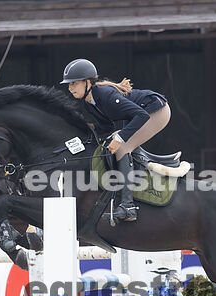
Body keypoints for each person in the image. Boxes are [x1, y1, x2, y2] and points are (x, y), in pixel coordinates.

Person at [61, 58, 171, 222]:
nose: (70, 88)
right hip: (138, 114)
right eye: (69, 85)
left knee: (122, 147)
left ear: (87, 82)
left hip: (156, 110)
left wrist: (120, 139)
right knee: (119, 143)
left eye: (74, 83)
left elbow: (141, 115)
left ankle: (128, 207)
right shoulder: (89, 102)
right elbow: (107, 126)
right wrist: (84, 128)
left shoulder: (106, 95)